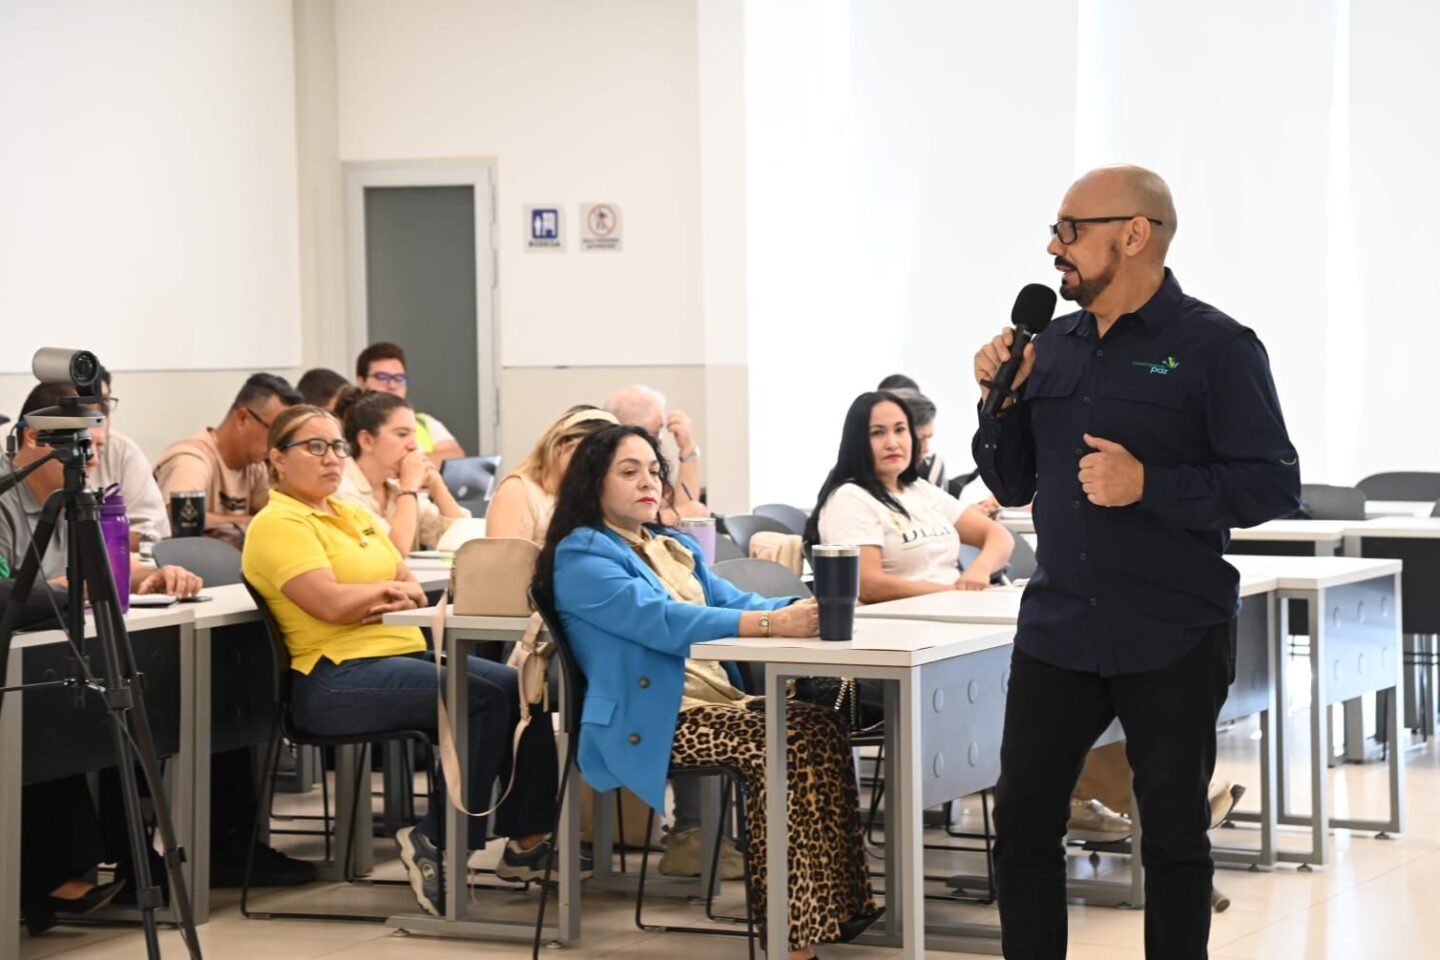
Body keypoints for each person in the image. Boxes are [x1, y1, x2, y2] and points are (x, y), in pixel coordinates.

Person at [971, 164, 1300, 959]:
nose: (1054, 247)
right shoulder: (1049, 348)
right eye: (1054, 232)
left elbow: (1271, 484)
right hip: (1058, 629)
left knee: (1175, 840)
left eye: (1070, 230)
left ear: (1134, 233)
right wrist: (997, 404)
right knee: (1020, 827)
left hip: (1172, 629)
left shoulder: (1216, 346)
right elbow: (1013, 482)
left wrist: (1149, 484)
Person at [540, 424, 881, 959]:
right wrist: (771, 627)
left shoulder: (668, 545)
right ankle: (789, 940)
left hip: (714, 704)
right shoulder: (581, 557)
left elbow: (729, 598)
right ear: (593, 484)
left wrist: (797, 614)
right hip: (654, 718)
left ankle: (834, 908)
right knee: (784, 739)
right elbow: (662, 620)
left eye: (654, 470)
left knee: (820, 723)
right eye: (629, 472)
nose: (648, 482)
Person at [241, 405, 562, 915]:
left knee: (521, 685)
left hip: (396, 657)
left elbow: (405, 579)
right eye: (315, 447)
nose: (331, 460)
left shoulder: (347, 513)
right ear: (277, 459)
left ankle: (526, 838)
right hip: (333, 676)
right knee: (477, 697)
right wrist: (380, 592)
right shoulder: (277, 524)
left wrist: (378, 592)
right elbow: (327, 603)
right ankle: (440, 842)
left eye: (337, 448)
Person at [1, 382, 206, 935]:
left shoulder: (73, 499)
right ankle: (51, 876)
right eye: (77, 449)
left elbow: (103, 569)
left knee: (131, 698)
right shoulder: (3, 497)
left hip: (60, 650)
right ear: (31, 439)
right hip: (14, 659)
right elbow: (9, 592)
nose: (88, 462)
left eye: (92, 449)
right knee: (54, 722)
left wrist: (153, 574)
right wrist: (72, 588)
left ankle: (128, 853)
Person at [807, 391, 1013, 601]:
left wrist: (979, 571)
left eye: (900, 430)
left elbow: (998, 535)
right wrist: (955, 592)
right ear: (857, 442)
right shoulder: (849, 498)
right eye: (878, 433)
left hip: (949, 608)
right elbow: (868, 586)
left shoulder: (918, 489)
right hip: (898, 621)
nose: (892, 443)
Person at [154, 372, 302, 546]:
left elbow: (279, 516)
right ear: (242, 418)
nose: (277, 443)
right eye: (274, 431)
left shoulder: (256, 465)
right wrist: (252, 522)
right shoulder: (191, 459)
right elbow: (178, 519)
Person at [331, 387, 470, 553]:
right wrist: (409, 488)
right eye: (402, 434)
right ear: (367, 440)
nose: (414, 445)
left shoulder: (395, 486)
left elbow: (461, 540)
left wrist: (437, 486)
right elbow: (393, 551)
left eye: (413, 435)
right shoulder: (340, 487)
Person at [485, 404, 617, 544]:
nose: (590, 466)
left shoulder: (598, 497)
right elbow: (504, 562)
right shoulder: (517, 490)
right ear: (559, 445)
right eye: (586, 454)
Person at [603, 385, 707, 521]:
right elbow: (623, 520)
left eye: (653, 472)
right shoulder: (603, 462)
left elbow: (687, 513)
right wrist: (676, 515)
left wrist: (688, 450)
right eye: (656, 432)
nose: (659, 441)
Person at [94, 367, 171, 544]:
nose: (99, 414)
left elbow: (153, 533)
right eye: (87, 405)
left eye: (104, 404)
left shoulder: (121, 450)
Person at [355, 342, 464, 465]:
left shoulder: (423, 421)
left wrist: (408, 463)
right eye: (382, 377)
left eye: (399, 378)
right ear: (361, 382)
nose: (392, 385)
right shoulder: (349, 424)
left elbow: (455, 457)